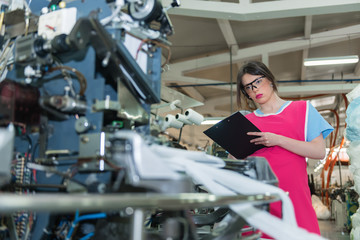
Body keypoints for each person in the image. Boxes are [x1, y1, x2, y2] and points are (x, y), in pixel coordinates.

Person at [236, 61, 333, 237]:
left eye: (257, 82)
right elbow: (235, 163)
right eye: (248, 87)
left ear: (270, 80)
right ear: (246, 94)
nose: (255, 89)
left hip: (296, 200)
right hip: (260, 204)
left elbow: (318, 151)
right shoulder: (246, 123)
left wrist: (278, 140)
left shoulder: (303, 110)